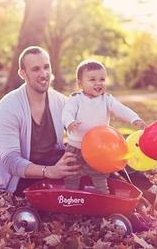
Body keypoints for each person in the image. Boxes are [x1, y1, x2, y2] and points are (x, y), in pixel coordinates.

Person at [0, 46, 157, 211]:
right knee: (98, 171)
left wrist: (106, 143)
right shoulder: (9, 107)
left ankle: (154, 190)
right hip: (25, 178)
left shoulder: (59, 101)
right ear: (22, 73)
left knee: (111, 156)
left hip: (57, 159)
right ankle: (155, 201)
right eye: (35, 69)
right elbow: (11, 161)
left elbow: (88, 120)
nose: (44, 73)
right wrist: (50, 172)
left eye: (46, 67)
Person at [62, 59, 146, 194]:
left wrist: (134, 118)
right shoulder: (75, 99)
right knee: (71, 174)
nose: (98, 83)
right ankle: (70, 197)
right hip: (75, 148)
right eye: (92, 79)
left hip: (99, 148)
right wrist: (70, 122)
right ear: (80, 83)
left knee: (99, 175)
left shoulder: (106, 99)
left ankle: (103, 196)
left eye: (102, 79)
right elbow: (67, 112)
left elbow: (121, 109)